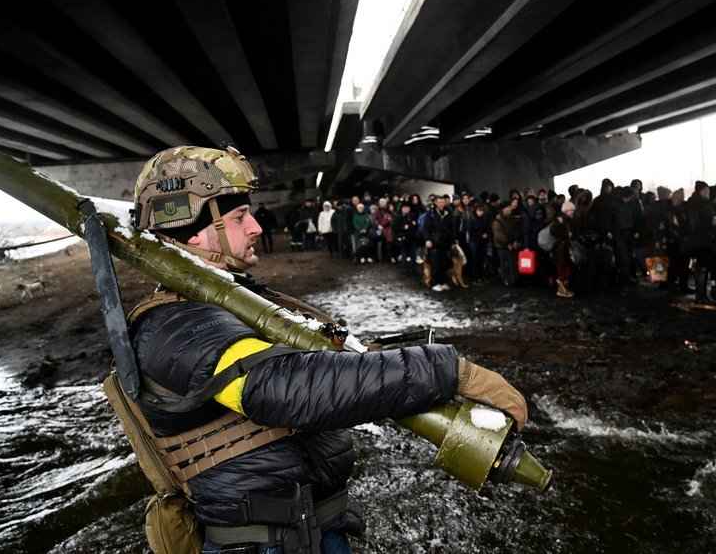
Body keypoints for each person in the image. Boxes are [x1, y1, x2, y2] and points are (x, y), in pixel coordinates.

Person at [128, 146, 528, 554]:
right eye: (238, 216)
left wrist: (428, 382)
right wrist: (448, 371)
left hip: (305, 532)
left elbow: (332, 361)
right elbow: (280, 387)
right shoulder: (175, 324)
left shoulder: (230, 305)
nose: (254, 227)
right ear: (194, 231)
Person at [422, 195, 455, 291]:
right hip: (434, 242)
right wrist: (427, 239)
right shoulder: (430, 214)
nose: (441, 204)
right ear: (435, 203)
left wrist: (453, 240)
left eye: (443, 202)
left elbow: (452, 228)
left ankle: (443, 282)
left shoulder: (448, 213)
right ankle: (435, 283)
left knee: (445, 263)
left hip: (446, 242)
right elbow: (426, 228)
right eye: (439, 202)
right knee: (436, 263)